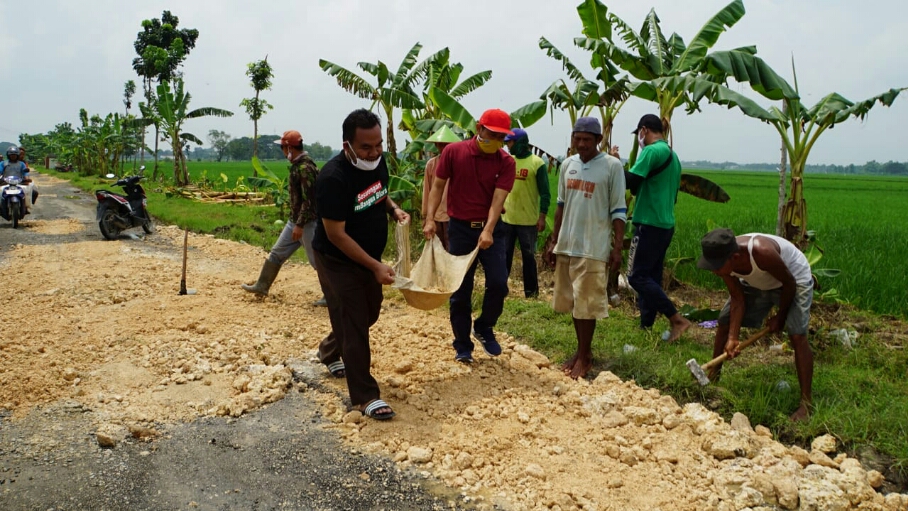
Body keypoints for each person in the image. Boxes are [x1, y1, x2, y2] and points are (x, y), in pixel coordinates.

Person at [312, 109, 409, 420]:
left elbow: (380, 193)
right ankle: (365, 397)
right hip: (337, 260)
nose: (375, 152)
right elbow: (336, 235)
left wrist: (393, 209)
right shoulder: (332, 178)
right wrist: (376, 267)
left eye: (378, 145)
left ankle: (329, 349)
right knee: (354, 321)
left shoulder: (377, 163)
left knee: (368, 313)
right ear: (347, 146)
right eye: (366, 147)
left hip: (369, 258)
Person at [423, 109, 516, 364]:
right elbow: (437, 186)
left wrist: (488, 230)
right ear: (478, 128)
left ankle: (484, 326)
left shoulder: (506, 162)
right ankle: (462, 345)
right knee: (460, 289)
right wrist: (430, 219)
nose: (496, 141)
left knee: (498, 283)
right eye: (492, 134)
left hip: (492, 230)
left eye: (501, 137)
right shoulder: (454, 152)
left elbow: (498, 201)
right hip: (461, 229)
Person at [697, 228, 815, 422]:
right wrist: (733, 337)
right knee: (725, 321)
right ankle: (712, 376)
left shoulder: (761, 252)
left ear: (735, 258)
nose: (714, 271)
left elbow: (789, 283)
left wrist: (780, 316)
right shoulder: (723, 259)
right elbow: (737, 298)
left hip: (793, 279)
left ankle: (806, 404)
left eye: (717, 267)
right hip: (758, 281)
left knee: (797, 335)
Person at [543, 117, 626, 379]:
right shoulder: (568, 165)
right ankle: (581, 352)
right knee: (574, 303)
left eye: (587, 140)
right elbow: (560, 205)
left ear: (598, 140)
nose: (581, 144)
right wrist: (554, 240)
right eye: (577, 139)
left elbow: (619, 210)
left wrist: (617, 248)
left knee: (587, 305)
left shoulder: (612, 166)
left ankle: (585, 355)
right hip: (568, 244)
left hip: (594, 246)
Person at [623, 114, 691, 342]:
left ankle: (676, 319)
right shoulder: (673, 156)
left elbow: (630, 181)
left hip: (649, 222)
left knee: (636, 276)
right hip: (665, 224)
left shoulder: (651, 151)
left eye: (639, 134)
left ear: (644, 130)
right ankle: (646, 323)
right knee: (651, 275)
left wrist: (612, 163)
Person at [241, 131, 326, 306]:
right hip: (294, 221)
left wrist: (300, 225)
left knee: (317, 261)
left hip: (307, 223)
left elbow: (309, 201)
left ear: (289, 148)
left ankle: (331, 295)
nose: (282, 151)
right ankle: (262, 286)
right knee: (277, 253)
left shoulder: (305, 169)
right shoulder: (297, 165)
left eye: (282, 147)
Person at [501, 128, 551, 298]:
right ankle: (501, 289)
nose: (507, 146)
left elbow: (545, 193)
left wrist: (542, 216)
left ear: (520, 143)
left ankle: (531, 293)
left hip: (528, 222)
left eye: (510, 142)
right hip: (507, 218)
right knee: (504, 256)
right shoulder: (508, 161)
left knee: (528, 257)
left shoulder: (537, 163)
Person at [420, 125, 461, 251]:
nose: (444, 148)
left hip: (453, 216)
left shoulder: (459, 163)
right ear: (436, 145)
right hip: (435, 215)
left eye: (447, 145)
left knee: (452, 249)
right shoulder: (431, 164)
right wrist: (426, 216)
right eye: (441, 145)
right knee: (437, 249)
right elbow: (427, 190)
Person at [0, 146, 37, 212]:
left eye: (14, 154)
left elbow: (25, 173)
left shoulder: (21, 164)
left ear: (17, 155)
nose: (13, 156)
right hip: (5, 182)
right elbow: (0, 171)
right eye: (11, 154)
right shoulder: (3, 163)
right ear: (8, 155)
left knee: (32, 191)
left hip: (19, 182)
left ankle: (26, 206)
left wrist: (27, 179)